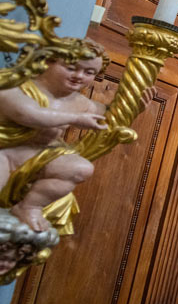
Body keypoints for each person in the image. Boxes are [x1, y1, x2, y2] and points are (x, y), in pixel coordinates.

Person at [0, 44, 109, 233]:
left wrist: (134, 101)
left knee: (80, 168)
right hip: (4, 152)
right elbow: (30, 115)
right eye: (71, 68)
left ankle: (29, 207)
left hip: (32, 156)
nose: (79, 76)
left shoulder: (79, 102)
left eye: (89, 72)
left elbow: (110, 113)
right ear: (48, 62)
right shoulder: (18, 86)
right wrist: (75, 118)